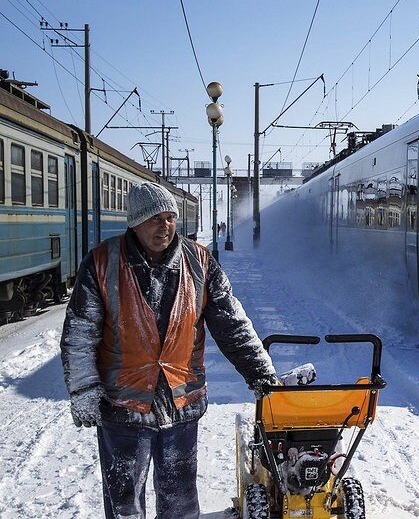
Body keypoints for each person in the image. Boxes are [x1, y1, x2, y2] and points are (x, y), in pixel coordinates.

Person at [60, 181, 277, 519]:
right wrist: (84, 389)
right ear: (135, 222)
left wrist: (260, 372)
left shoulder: (200, 262)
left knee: (180, 501)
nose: (164, 226)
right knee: (124, 503)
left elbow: (231, 323)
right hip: (123, 405)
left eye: (170, 218)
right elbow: (80, 332)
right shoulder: (102, 262)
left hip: (181, 402)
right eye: (154, 219)